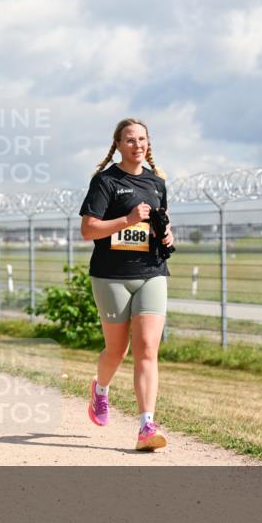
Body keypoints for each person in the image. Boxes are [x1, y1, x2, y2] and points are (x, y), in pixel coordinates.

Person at [79, 117, 175, 451]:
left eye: (143, 139)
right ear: (118, 145)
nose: (137, 145)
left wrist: (166, 233)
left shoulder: (157, 182)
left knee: (148, 348)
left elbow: (162, 220)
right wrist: (127, 220)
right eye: (130, 140)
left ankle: (147, 425)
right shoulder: (105, 182)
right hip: (111, 276)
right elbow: (89, 230)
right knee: (117, 350)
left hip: (152, 271)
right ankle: (100, 390)